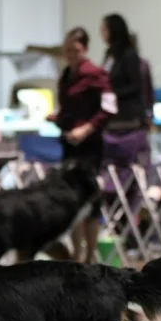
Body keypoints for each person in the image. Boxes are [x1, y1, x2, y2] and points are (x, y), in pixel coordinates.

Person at [49, 27, 116, 263]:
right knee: (71, 199)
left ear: (85, 49)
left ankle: (90, 255)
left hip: (90, 147)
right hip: (69, 144)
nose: (70, 54)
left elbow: (109, 108)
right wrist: (58, 118)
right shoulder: (67, 74)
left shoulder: (96, 74)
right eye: (67, 50)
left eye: (75, 50)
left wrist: (86, 128)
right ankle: (76, 254)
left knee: (90, 200)